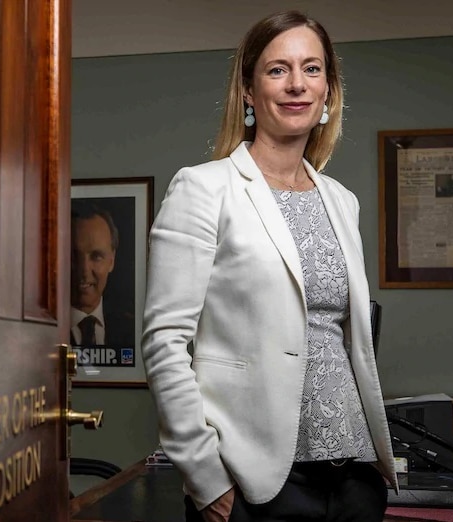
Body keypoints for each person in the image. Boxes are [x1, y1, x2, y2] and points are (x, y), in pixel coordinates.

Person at [141, 10, 397, 522]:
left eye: (312, 69)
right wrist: (205, 478)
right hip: (255, 483)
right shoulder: (203, 188)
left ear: (328, 91)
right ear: (249, 92)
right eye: (278, 70)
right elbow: (164, 341)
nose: (297, 84)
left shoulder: (341, 200)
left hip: (355, 474)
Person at [71, 203, 134, 348]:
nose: (84, 270)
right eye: (73, 256)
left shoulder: (130, 327)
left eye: (96, 256)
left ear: (111, 260)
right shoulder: (42, 331)